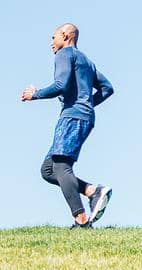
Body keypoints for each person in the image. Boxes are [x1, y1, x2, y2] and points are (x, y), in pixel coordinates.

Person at [22, 23, 113, 227]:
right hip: (83, 117)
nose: (51, 43)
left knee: (62, 166)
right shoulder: (86, 61)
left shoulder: (64, 54)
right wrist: (88, 104)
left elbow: (60, 85)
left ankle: (81, 220)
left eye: (53, 37)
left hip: (72, 117)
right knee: (48, 169)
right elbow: (107, 88)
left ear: (65, 36)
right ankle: (92, 191)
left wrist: (34, 95)